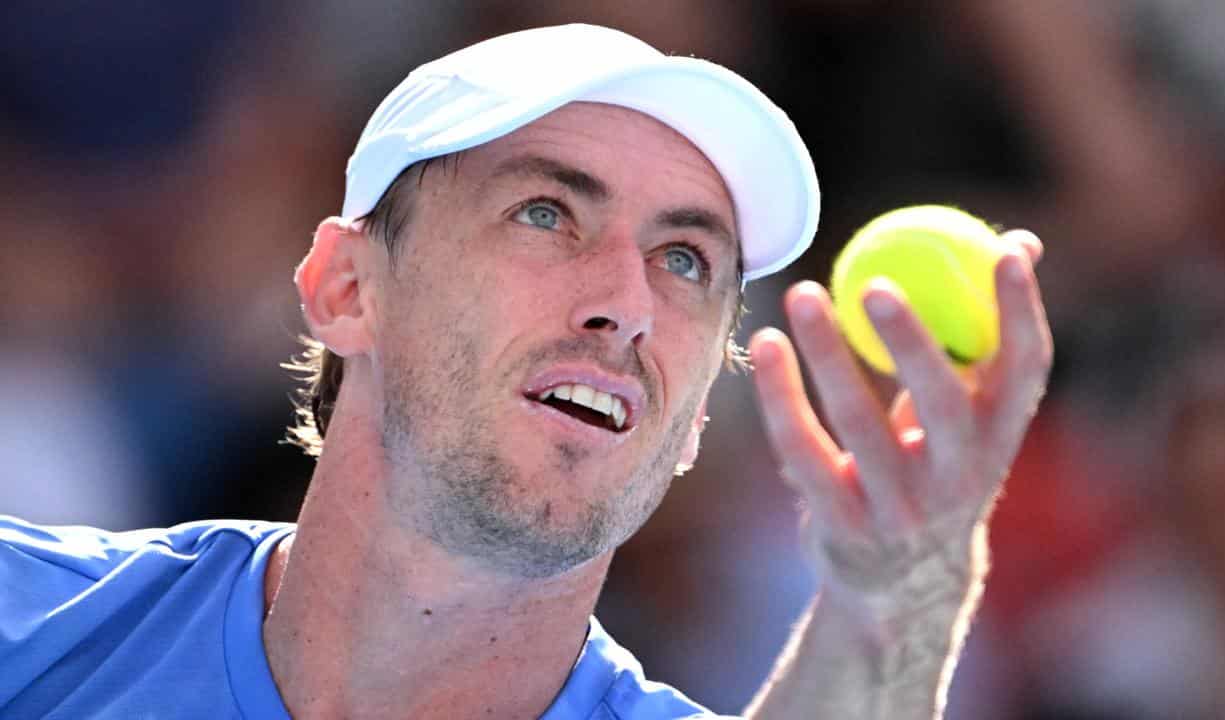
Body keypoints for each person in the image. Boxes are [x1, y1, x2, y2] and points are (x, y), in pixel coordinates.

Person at [0, 23, 1052, 720]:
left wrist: (889, 612)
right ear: (346, 289)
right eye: (546, 213)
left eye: (684, 260)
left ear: (692, 421)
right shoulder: (30, 622)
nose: (626, 303)